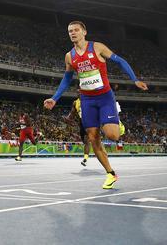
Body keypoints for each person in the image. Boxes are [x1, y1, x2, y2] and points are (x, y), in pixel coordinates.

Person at [44, 21, 148, 189]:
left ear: (84, 32)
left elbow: (120, 61)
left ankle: (117, 123)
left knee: (113, 136)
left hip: (105, 97)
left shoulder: (97, 47)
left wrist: (134, 79)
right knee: (93, 138)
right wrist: (54, 98)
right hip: (87, 100)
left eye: (76, 30)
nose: (73, 33)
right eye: (70, 31)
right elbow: (67, 79)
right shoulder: (69, 56)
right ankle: (110, 174)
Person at [65, 97, 126, 167]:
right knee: (86, 142)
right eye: (78, 91)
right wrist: (68, 118)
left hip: (92, 121)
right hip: (83, 123)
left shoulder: (91, 99)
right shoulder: (75, 102)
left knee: (90, 141)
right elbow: (72, 113)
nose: (79, 92)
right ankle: (90, 157)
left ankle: (86, 159)